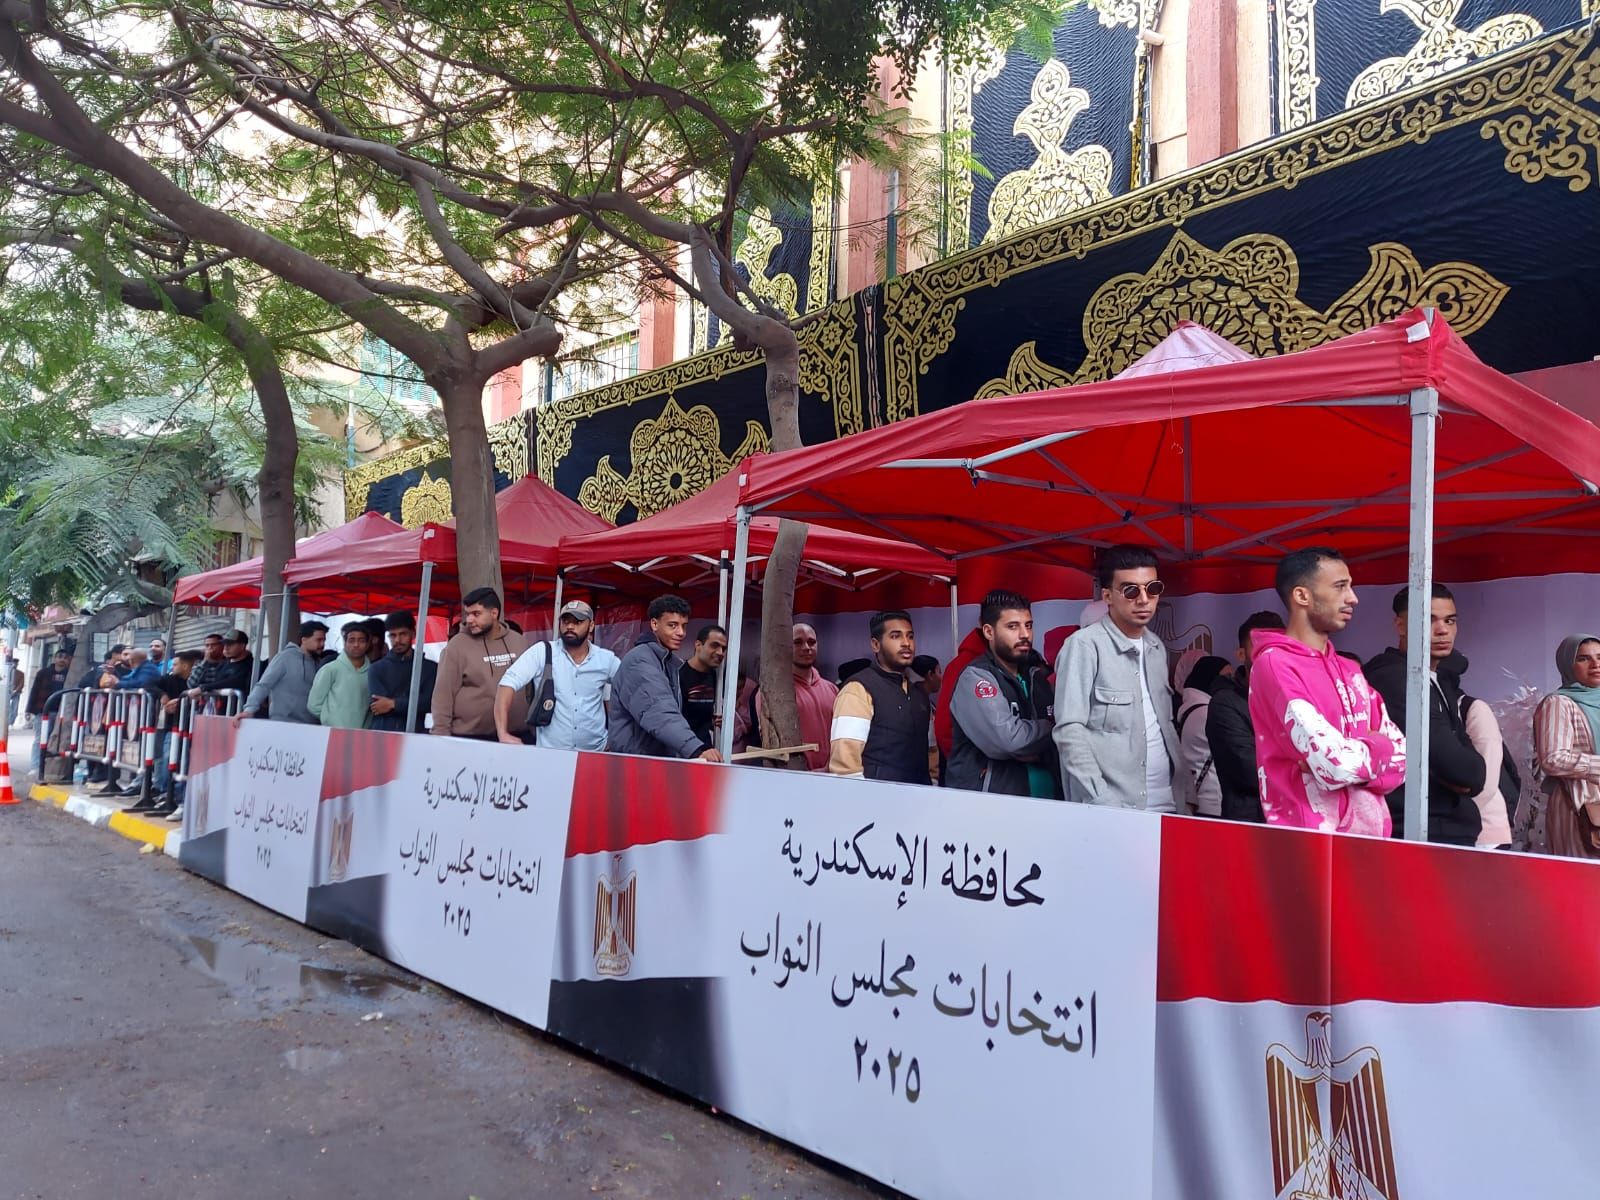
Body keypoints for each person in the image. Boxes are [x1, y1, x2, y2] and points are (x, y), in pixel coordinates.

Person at [1249, 547, 1405, 835]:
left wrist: (1350, 758)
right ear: (1302, 596)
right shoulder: (1274, 664)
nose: (1353, 598)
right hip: (1308, 842)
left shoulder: (1351, 669)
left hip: (1370, 843)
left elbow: (1403, 761)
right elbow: (1333, 766)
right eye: (1340, 586)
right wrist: (1378, 748)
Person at [1053, 545, 1179, 811]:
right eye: (1131, 591)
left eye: (1153, 589)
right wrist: (1101, 799)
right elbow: (1069, 731)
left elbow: (1164, 726)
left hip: (1170, 803)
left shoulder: (1156, 647)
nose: (1143, 599)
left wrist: (1186, 790)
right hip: (1114, 809)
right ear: (1107, 596)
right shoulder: (1084, 646)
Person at [1363, 584, 1485, 845]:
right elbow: (1461, 769)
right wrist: (1460, 772)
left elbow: (1471, 772)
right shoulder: (1395, 678)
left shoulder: (1439, 679)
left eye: (1450, 621)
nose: (1442, 630)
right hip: (1416, 831)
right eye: (1429, 620)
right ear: (1400, 626)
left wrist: (1462, 772)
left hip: (1447, 828)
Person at [947, 590, 1060, 798]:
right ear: (988, 632)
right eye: (1012, 626)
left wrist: (1033, 745)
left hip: (1048, 802)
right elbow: (1009, 740)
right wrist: (1055, 728)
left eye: (1028, 625)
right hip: (996, 804)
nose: (1025, 634)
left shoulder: (1037, 675)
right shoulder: (976, 677)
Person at [495, 600, 620, 751]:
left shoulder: (605, 659)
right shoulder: (542, 652)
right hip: (552, 753)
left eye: (578, 622)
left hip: (595, 752)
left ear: (591, 625)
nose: (570, 626)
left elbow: (631, 688)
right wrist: (502, 733)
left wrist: (617, 738)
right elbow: (507, 684)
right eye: (565, 621)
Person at [610, 594, 721, 761]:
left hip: (652, 760)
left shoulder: (669, 662)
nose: (681, 633)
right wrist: (695, 749)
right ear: (654, 624)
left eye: (684, 626)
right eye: (672, 625)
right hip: (635, 762)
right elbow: (659, 711)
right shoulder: (639, 661)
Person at [828, 610, 929, 782]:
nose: (906, 643)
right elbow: (845, 765)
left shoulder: (918, 694)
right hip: (876, 796)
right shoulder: (858, 689)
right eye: (895, 636)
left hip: (920, 793)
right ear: (876, 645)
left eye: (910, 636)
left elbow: (931, 752)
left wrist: (932, 785)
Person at [1206, 611, 1285, 822]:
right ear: (1241, 654)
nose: (1270, 655)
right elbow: (1250, 770)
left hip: (1294, 823)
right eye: (1261, 647)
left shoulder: (1293, 701)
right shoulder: (1226, 703)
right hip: (1249, 825)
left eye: (1278, 646)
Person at [1532, 635, 1600, 860]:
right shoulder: (1558, 703)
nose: (1595, 664)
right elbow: (1553, 758)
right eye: (1583, 658)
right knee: (1582, 876)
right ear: (1568, 665)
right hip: (1580, 806)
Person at [431, 588, 529, 739]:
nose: (469, 620)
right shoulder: (456, 646)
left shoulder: (519, 642)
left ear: (494, 613)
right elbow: (443, 695)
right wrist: (440, 735)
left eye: (476, 614)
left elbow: (531, 689)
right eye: (467, 614)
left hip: (517, 736)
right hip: (471, 738)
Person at [128, 650, 204, 819]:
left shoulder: (196, 682)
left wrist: (183, 701)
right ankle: (165, 793)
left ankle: (175, 797)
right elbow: (149, 685)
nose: (172, 667)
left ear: (186, 666)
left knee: (179, 761)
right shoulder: (169, 679)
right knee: (167, 758)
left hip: (191, 728)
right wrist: (162, 695)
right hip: (172, 727)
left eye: (175, 664)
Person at [756, 624, 839, 771]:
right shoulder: (772, 692)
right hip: (792, 777)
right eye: (797, 642)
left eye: (811, 642)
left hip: (832, 775)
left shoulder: (832, 690)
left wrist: (830, 767)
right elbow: (770, 743)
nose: (806, 647)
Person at [239, 621, 327, 724]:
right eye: (318, 640)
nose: (322, 644)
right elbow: (264, 684)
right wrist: (249, 709)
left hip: (311, 724)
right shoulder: (285, 658)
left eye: (324, 640)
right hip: (283, 722)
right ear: (304, 640)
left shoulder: (319, 663)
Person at [1175, 655, 1231, 816]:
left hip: (1198, 798)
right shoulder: (1207, 713)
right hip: (1212, 801)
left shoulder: (1189, 709)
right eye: (1226, 677)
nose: (1230, 683)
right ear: (1210, 677)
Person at [308, 625, 373, 730]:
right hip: (334, 733)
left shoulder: (372, 672)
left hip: (362, 735)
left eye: (361, 641)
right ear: (345, 642)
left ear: (368, 644)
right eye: (351, 640)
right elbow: (313, 704)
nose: (356, 645)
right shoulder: (330, 669)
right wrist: (331, 720)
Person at [679, 624, 727, 747]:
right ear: (698, 645)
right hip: (682, 749)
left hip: (706, 748)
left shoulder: (717, 677)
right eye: (714, 645)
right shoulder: (679, 675)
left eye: (723, 648)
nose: (720, 652)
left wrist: (713, 721)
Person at [27, 650, 72, 723]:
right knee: (40, 730)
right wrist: (29, 709)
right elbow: (34, 690)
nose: (62, 659)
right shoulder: (43, 673)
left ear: (68, 660)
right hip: (42, 709)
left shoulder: (70, 675)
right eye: (60, 657)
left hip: (60, 712)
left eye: (65, 658)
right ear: (55, 658)